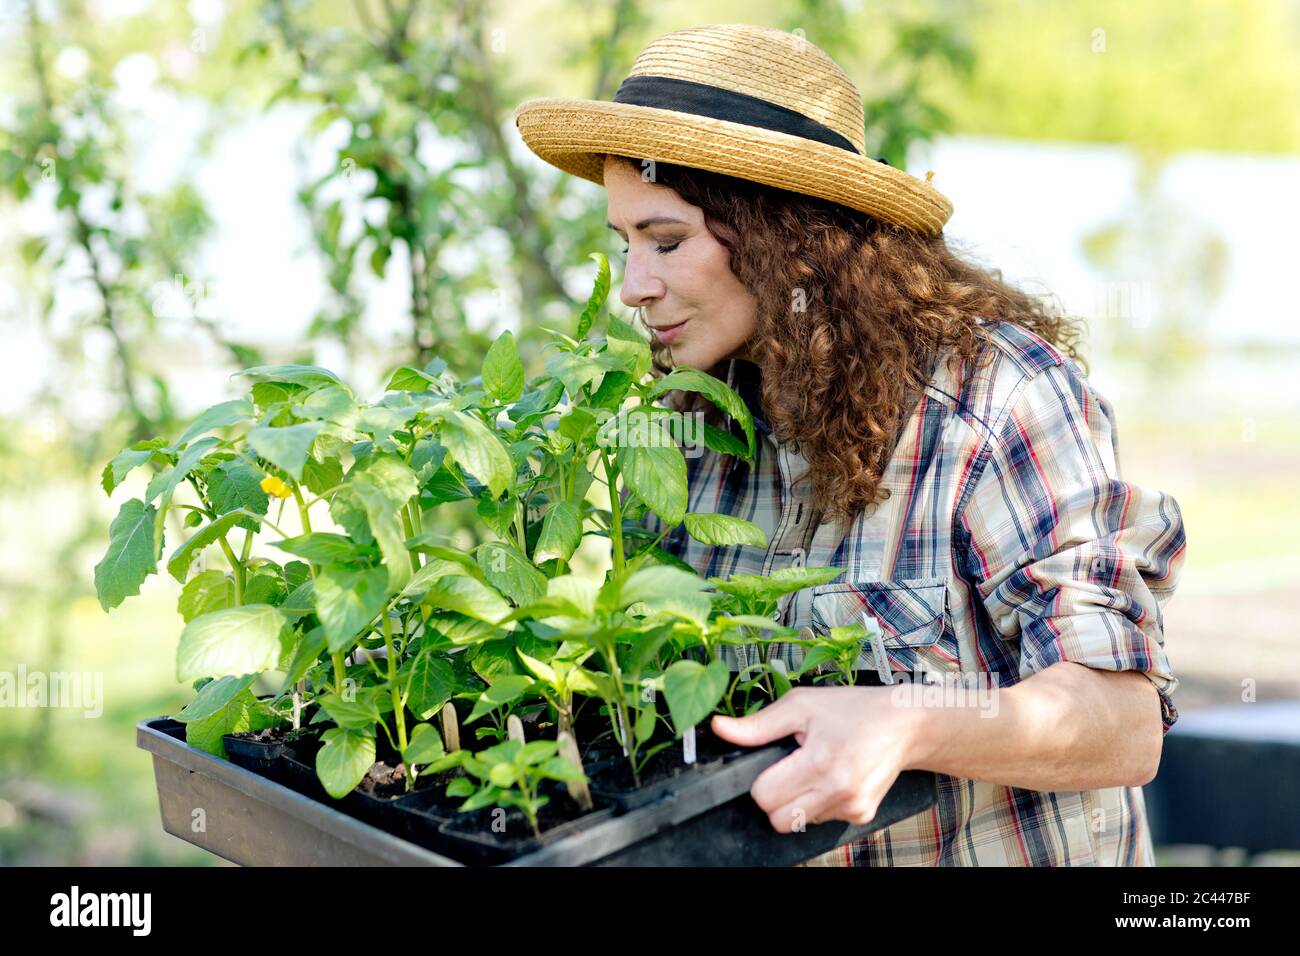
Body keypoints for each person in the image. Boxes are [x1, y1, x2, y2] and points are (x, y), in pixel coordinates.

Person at [513, 23, 1186, 866]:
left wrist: (911, 722)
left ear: (785, 235)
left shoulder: (994, 399)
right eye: (624, 245)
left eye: (667, 241)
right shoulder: (691, 423)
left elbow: (1120, 726)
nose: (632, 288)